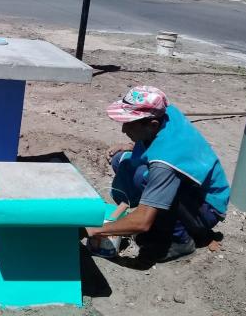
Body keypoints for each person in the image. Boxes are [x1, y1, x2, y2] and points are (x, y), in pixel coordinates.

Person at [86, 86, 230, 262]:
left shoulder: (164, 163)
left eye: (129, 124)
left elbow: (142, 223)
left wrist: (95, 230)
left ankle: (180, 241)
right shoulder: (166, 113)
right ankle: (151, 209)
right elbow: (160, 141)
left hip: (205, 209)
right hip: (187, 185)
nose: (124, 130)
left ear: (153, 124)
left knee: (143, 178)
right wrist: (131, 146)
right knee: (120, 160)